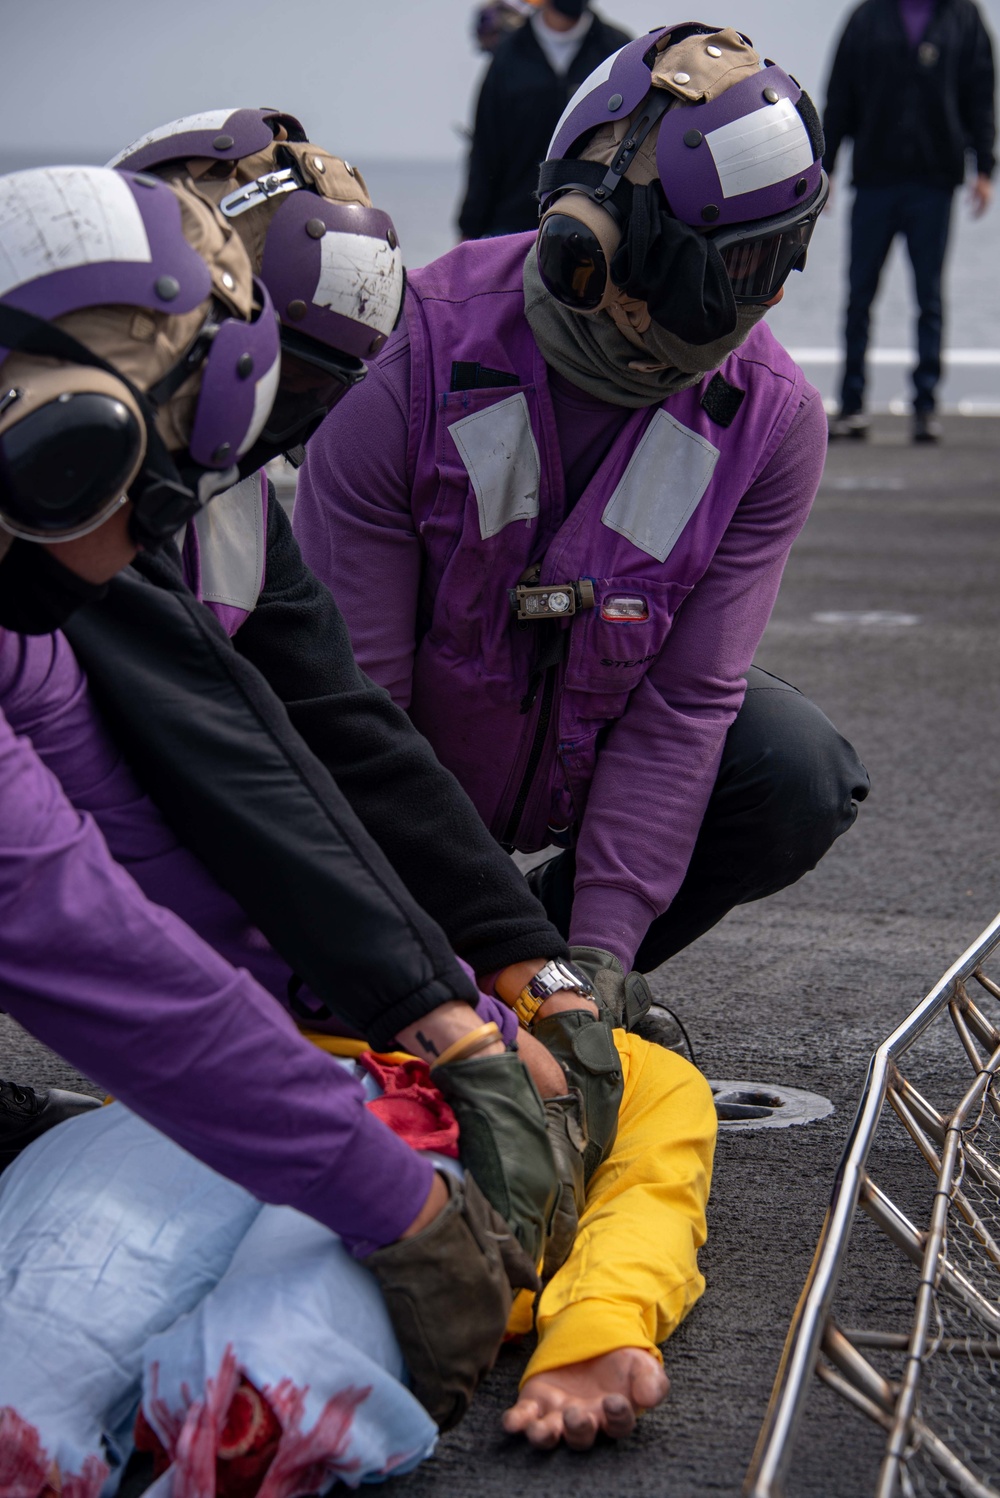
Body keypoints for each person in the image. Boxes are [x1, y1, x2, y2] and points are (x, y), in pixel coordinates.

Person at [0, 162, 538, 1439]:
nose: (156, 538)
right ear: (68, 442)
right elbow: (79, 938)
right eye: (162, 487)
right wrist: (397, 1203)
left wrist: (422, 1008)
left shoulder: (22, 629)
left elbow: (144, 865)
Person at [295, 24, 872, 1023]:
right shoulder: (410, 363)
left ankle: (548, 955)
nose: (769, 292)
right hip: (398, 769)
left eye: (782, 255)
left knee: (795, 771)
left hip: (578, 754)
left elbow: (686, 704)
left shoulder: (767, 422)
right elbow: (354, 706)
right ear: (590, 253)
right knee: (332, 982)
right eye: (740, 266)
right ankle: (448, 950)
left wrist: (591, 958)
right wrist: (432, 970)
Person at [0, 1002, 715, 1484]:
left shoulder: (627, 1066)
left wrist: (596, 1329)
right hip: (203, 1107)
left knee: (264, 1378)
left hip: (428, 1161)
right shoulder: (255, 959)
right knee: (39, 1347)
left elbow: (649, 1202)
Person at [824, 0, 996, 443]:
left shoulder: (963, 17)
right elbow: (840, 94)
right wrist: (823, 169)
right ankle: (852, 404)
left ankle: (925, 406)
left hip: (934, 182)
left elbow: (980, 91)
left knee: (929, 299)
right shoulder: (866, 16)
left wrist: (984, 169)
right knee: (859, 296)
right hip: (875, 180)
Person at [458, 0, 631, 239]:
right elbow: (485, 149)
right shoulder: (508, 56)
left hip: (596, 226)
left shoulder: (618, 51)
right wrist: (469, 229)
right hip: (512, 227)